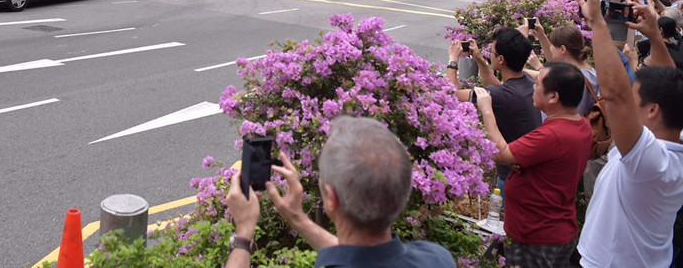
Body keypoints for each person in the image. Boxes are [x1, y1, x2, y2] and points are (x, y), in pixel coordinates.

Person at [224, 116, 455, 268]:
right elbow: (360, 259)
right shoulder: (436, 259)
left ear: (331, 198)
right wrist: (297, 218)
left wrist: (244, 233)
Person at [575, 0, 683, 268]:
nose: (628, 103)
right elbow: (671, 84)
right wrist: (655, 36)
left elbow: (615, 94)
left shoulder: (652, 160)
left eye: (636, 97)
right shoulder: (675, 142)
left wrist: (597, 22)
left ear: (653, 110)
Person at [474, 62, 592, 267]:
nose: (533, 88)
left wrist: (487, 110)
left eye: (537, 84)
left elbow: (501, 154)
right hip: (556, 228)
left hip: (536, 235)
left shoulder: (553, 134)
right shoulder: (581, 124)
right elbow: (555, 165)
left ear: (553, 96)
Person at [446, 31, 542, 196]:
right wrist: (479, 59)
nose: (490, 54)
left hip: (512, 180)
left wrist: (453, 60)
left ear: (501, 59)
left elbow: (451, 95)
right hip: (530, 173)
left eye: (492, 51)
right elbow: (496, 87)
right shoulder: (526, 80)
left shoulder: (501, 95)